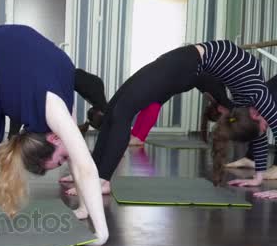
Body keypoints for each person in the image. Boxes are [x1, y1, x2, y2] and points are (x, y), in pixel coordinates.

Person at [70, 40, 277, 206]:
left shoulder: (252, 103)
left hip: (185, 64)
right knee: (113, 112)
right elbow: (258, 136)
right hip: (186, 64)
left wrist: (260, 178)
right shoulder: (258, 99)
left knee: (122, 112)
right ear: (256, 116)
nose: (267, 123)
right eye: (266, 125)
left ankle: (101, 180)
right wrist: (259, 177)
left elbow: (257, 135)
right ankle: (94, 173)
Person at [0, 25, 109, 246]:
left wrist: (101, 234)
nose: (65, 160)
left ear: (52, 139)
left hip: (17, 41)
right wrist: (83, 208)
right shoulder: (54, 117)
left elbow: (86, 168)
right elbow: (76, 158)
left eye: (59, 159)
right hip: (23, 55)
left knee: (78, 154)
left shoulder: (54, 111)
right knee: (75, 150)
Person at [126, 73, 233, 145]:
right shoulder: (222, 99)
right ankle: (136, 135)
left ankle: (139, 137)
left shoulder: (220, 98)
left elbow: (232, 116)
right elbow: (233, 115)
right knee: (152, 101)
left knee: (155, 101)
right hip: (181, 77)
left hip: (180, 79)